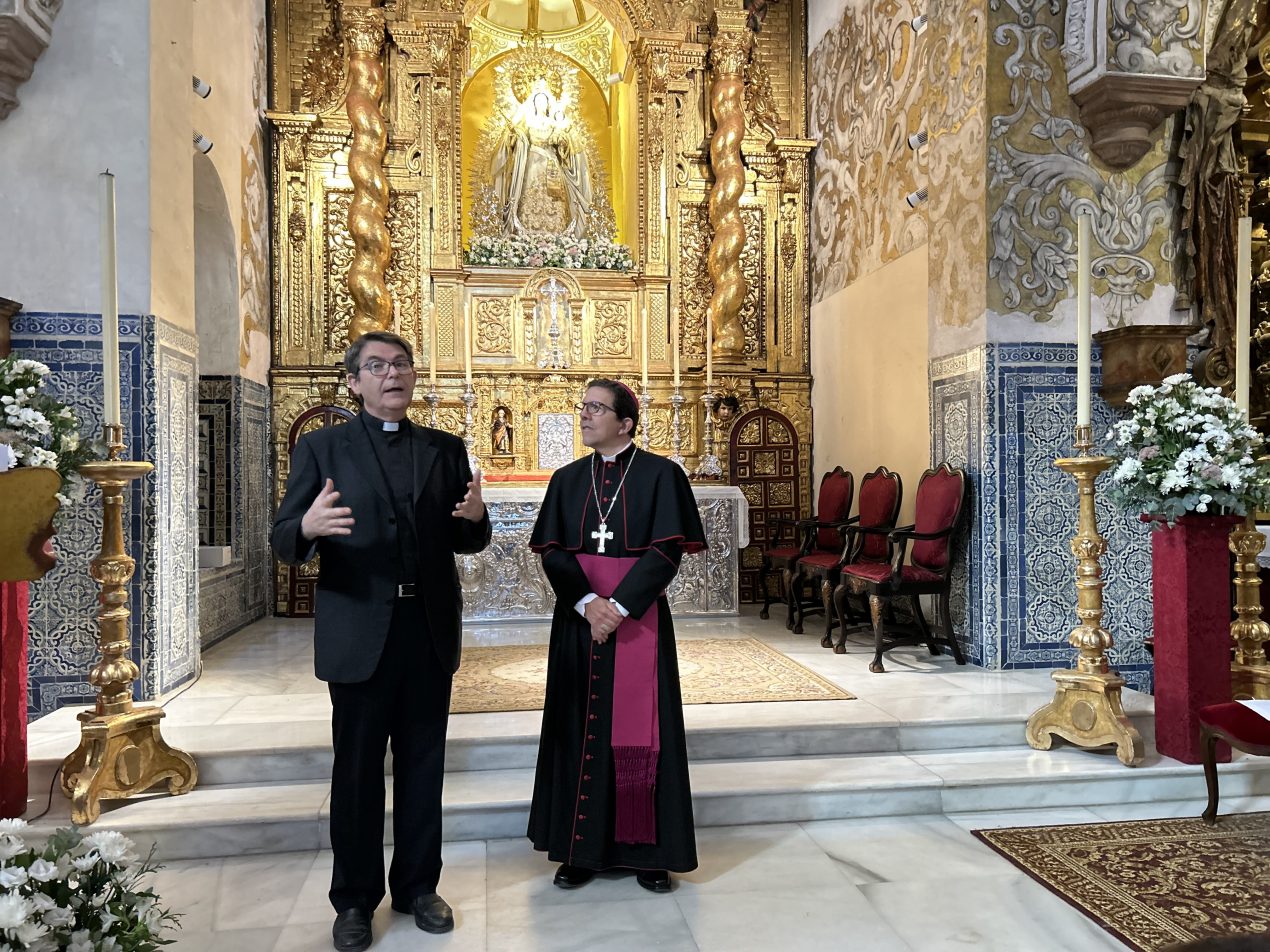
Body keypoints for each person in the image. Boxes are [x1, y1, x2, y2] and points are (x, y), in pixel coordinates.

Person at [271, 330, 490, 952]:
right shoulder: (321, 448)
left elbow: (467, 538)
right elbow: (284, 536)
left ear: (413, 376)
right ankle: (355, 900)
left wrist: (477, 522)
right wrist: (307, 528)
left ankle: (420, 886)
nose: (392, 374)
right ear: (354, 381)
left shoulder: (446, 450)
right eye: (377, 366)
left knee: (424, 766)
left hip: (426, 632)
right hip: (360, 634)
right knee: (359, 772)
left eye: (401, 364)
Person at [527, 378, 707, 892]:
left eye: (595, 408)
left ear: (625, 422)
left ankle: (649, 853)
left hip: (637, 619)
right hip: (580, 620)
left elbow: (666, 551)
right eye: (582, 407)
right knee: (577, 726)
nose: (583, 415)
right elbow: (554, 551)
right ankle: (578, 850)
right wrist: (588, 604)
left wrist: (620, 606)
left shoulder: (661, 475)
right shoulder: (566, 478)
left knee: (643, 732)